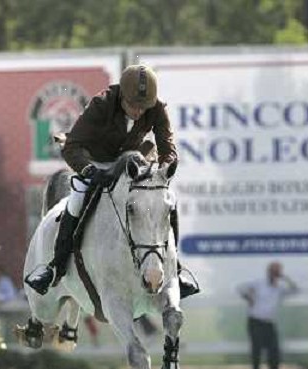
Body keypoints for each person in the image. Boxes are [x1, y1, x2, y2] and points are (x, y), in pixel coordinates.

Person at [25, 64, 199, 299]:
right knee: (77, 200)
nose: (139, 112)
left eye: (143, 107)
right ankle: (54, 267)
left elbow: (168, 147)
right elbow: (73, 146)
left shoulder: (156, 108)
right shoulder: (101, 105)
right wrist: (89, 170)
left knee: (168, 200)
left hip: (132, 165)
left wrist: (166, 167)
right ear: (122, 98)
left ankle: (175, 269)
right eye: (133, 106)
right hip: (97, 163)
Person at [237, 262, 298, 369]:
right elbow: (240, 288)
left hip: (270, 323)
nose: (275, 273)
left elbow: (295, 290)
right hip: (255, 322)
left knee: (274, 351)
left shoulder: (280, 288)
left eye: (277, 271)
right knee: (257, 351)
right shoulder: (258, 283)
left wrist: (285, 278)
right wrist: (248, 296)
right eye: (273, 271)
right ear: (268, 271)